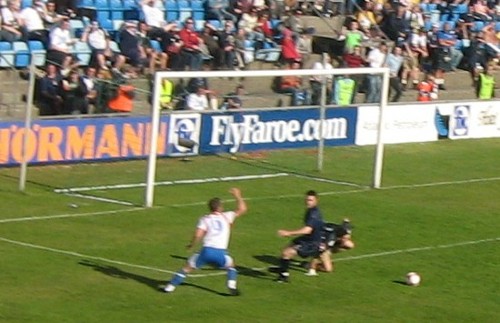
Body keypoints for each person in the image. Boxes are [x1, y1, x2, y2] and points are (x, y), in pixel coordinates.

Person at [163, 188, 247, 295]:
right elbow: (243, 209)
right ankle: (231, 285)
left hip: (206, 251)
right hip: (221, 252)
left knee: (187, 268)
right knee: (231, 266)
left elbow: (198, 234)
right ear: (220, 207)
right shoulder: (227, 216)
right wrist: (237, 195)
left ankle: (170, 287)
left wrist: (191, 244)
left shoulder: (205, 219)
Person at [275, 190, 324, 283]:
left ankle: (284, 276)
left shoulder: (314, 214)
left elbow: (307, 230)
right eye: (306, 199)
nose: (307, 202)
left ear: (316, 200)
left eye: (310, 200)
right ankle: (282, 267)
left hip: (311, 243)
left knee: (287, 253)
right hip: (307, 238)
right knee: (287, 248)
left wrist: (288, 233)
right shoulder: (310, 210)